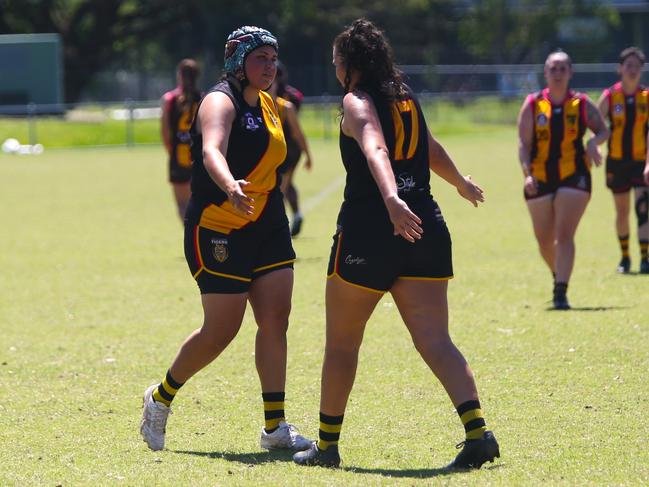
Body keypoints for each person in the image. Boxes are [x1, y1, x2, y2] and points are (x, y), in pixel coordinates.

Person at [293, 19, 499, 470]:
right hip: (424, 224)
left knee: (342, 344)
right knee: (435, 339)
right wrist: (460, 182)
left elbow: (375, 149)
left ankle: (326, 446)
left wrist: (390, 199)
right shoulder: (405, 96)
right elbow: (427, 145)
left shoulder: (357, 101)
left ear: (349, 65)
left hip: (373, 228)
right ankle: (478, 432)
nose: (334, 69)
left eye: (335, 62)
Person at [140, 26, 310, 453]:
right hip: (218, 225)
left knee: (276, 319)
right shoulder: (219, 100)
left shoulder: (270, 103)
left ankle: (275, 428)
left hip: (266, 223)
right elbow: (212, 149)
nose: (269, 66)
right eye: (260, 58)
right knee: (221, 331)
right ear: (238, 61)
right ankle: (160, 397)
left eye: (273, 59)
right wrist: (230, 186)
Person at [517, 51, 609, 309]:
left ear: (570, 73)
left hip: (574, 174)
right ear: (545, 73)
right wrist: (527, 175)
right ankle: (559, 274)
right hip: (540, 176)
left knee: (564, 234)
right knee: (544, 241)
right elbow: (523, 144)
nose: (558, 73)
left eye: (562, 69)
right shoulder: (533, 104)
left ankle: (561, 291)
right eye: (553, 69)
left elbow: (603, 130)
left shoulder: (580, 104)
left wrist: (593, 142)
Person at [597, 47, 649, 274]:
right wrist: (594, 145)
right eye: (628, 65)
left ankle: (645, 258)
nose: (632, 70)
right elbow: (595, 126)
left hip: (641, 162)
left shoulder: (646, 97)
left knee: (643, 208)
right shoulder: (610, 97)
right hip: (617, 162)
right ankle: (625, 257)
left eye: (637, 66)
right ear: (620, 69)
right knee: (622, 211)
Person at [274, 63, 313, 236]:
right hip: (289, 148)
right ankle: (295, 215)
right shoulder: (292, 96)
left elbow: (295, 130)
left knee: (281, 187)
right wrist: (307, 154)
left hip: (283, 147)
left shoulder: (281, 101)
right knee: (285, 184)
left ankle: (277, 225)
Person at [161, 59, 202, 220]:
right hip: (198, 157)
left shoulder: (169, 99)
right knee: (199, 201)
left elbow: (166, 132)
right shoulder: (204, 98)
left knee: (182, 204)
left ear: (179, 75)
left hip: (178, 157)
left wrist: (171, 151)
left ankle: (190, 237)